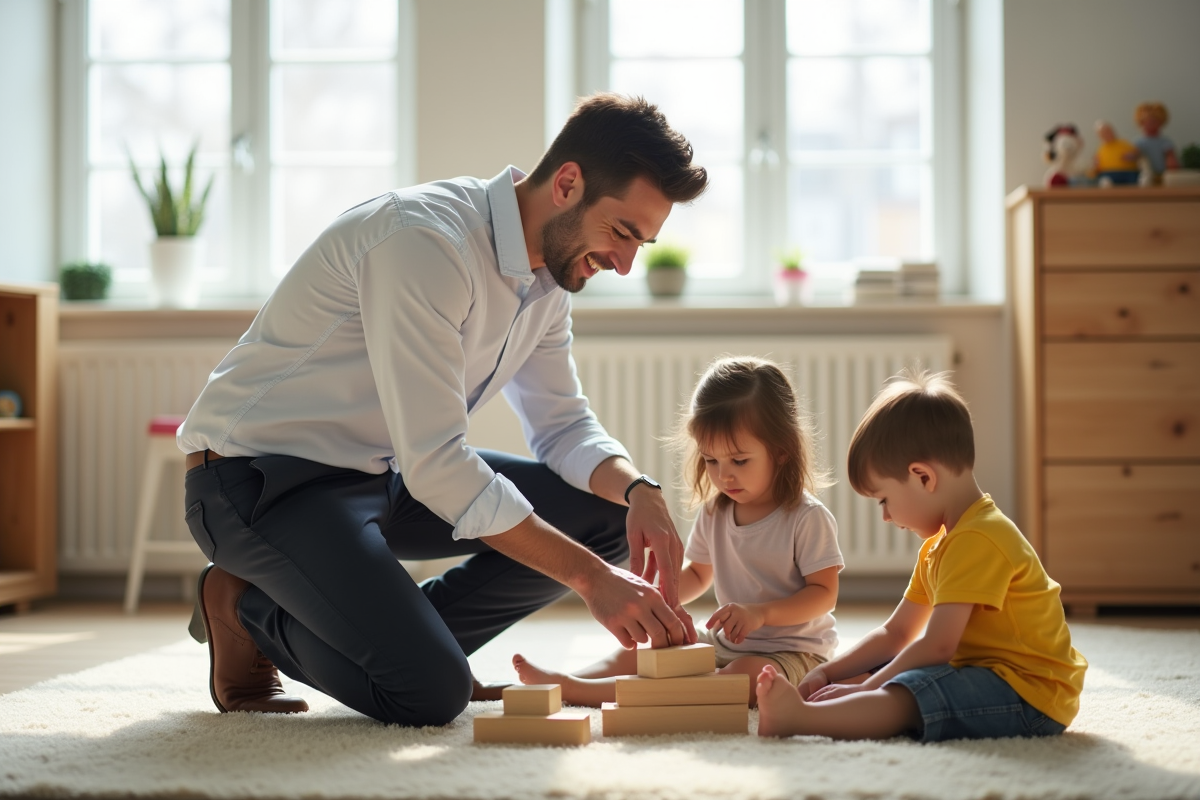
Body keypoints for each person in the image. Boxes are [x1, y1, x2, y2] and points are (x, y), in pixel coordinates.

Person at [177, 93, 708, 726]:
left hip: (378, 473)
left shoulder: (548, 283)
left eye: (640, 245)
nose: (623, 263)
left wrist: (639, 491)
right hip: (257, 482)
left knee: (603, 513)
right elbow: (439, 464)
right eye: (622, 232)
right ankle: (244, 605)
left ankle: (413, 646)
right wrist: (594, 580)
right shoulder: (425, 240)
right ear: (568, 183)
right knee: (429, 696)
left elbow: (563, 426)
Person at [756, 369, 1088, 742]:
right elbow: (897, 632)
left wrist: (868, 687)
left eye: (883, 500)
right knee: (887, 664)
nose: (885, 516)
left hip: (1031, 696)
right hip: (986, 670)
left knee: (909, 687)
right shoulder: (941, 545)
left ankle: (801, 720)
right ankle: (835, 702)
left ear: (923, 477)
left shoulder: (980, 538)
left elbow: (938, 645)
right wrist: (830, 672)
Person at [512, 356, 842, 707]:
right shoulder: (717, 510)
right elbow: (699, 574)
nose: (723, 476)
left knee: (738, 682)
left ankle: (577, 693)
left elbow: (824, 594)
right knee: (648, 652)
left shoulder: (806, 517)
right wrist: (659, 596)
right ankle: (571, 680)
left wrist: (760, 614)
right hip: (724, 642)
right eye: (711, 461)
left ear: (781, 452)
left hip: (794, 653)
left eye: (739, 461)